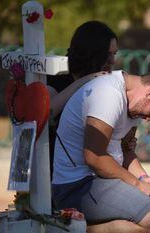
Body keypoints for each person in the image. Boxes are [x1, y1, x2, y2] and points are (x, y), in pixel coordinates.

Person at [52, 70, 150, 233]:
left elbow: (126, 150)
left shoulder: (134, 105)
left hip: (106, 180)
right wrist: (136, 184)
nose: (149, 119)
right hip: (78, 185)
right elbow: (94, 157)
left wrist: (143, 178)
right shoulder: (109, 94)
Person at [46, 21, 138, 178]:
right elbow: (48, 112)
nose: (112, 61)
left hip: (93, 172)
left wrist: (125, 143)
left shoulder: (107, 84)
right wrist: (85, 80)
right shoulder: (57, 77)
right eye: (107, 54)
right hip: (57, 168)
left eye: (114, 54)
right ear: (90, 53)